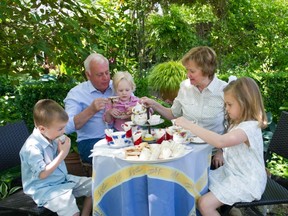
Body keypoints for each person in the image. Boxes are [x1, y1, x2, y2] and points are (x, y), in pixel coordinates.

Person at [174, 77, 267, 216]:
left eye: (229, 104)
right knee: (199, 182)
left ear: (245, 103)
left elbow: (221, 142)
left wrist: (189, 125)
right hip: (232, 174)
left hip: (247, 181)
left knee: (204, 204)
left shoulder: (249, 128)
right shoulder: (238, 124)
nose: (226, 109)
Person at [141, 46, 227, 168]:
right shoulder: (185, 86)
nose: (188, 75)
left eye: (192, 71)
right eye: (187, 70)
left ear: (206, 70)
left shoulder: (224, 90)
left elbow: (232, 125)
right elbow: (173, 114)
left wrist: (221, 151)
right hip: (184, 151)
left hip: (212, 155)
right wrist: (153, 104)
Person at [20, 99, 92, 216]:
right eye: (60, 129)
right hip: (44, 188)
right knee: (71, 209)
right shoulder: (32, 147)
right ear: (42, 129)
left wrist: (60, 149)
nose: (63, 131)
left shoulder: (51, 136)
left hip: (62, 180)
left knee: (96, 186)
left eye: (63, 127)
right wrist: (62, 154)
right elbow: (43, 174)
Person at [64, 53, 113, 164]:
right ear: (88, 75)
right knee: (111, 160)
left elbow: (135, 104)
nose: (105, 78)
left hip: (118, 137)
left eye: (107, 72)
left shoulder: (117, 87)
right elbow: (67, 127)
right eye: (100, 74)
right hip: (91, 141)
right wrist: (91, 110)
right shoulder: (76, 93)